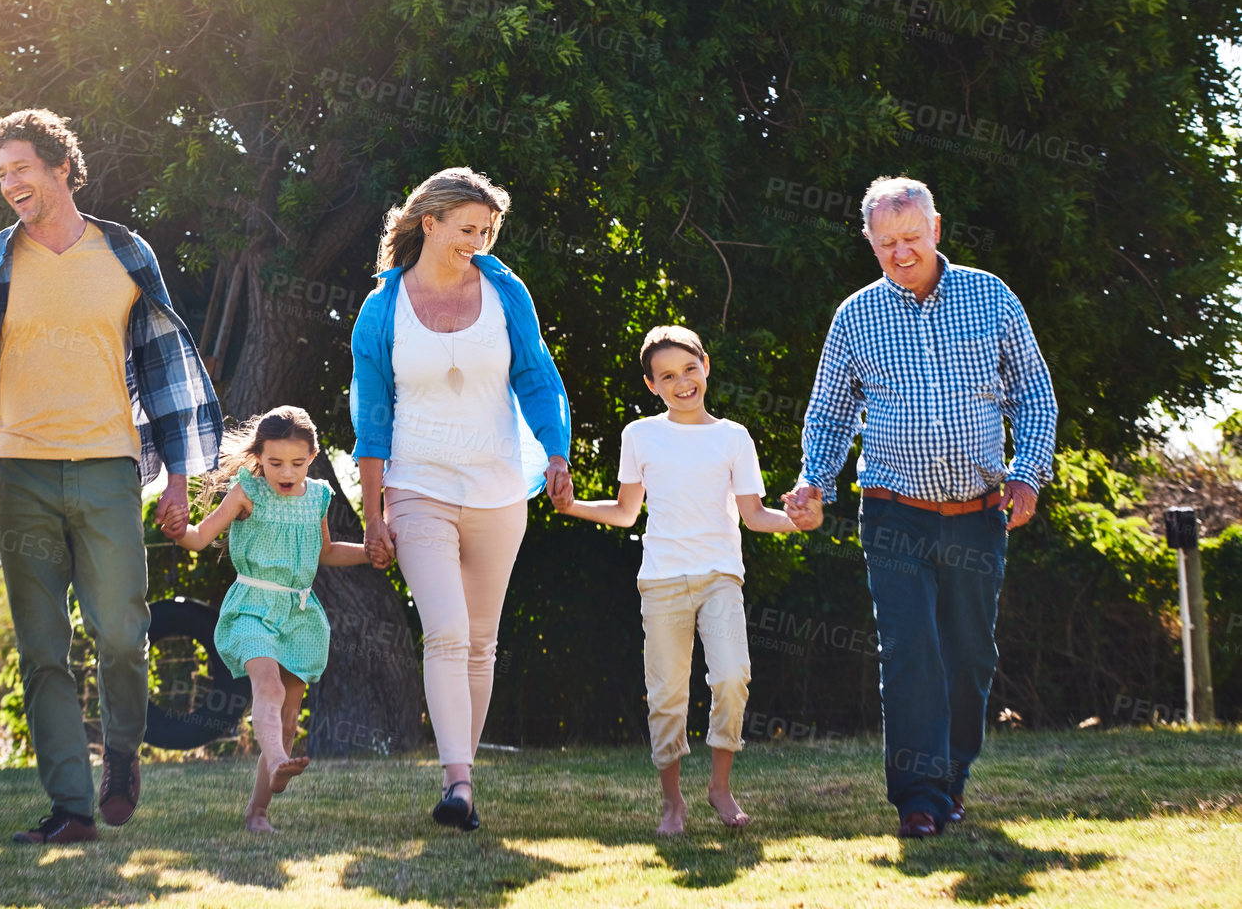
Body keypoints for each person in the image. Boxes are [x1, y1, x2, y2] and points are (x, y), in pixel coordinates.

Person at [0, 109, 222, 846]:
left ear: (61, 170)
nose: (10, 183)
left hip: (109, 468)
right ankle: (72, 805)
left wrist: (177, 480)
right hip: (21, 475)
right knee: (43, 645)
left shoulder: (126, 253)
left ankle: (124, 757)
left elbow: (166, 372)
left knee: (119, 635)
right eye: (1, 173)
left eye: (21, 168)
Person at [784, 176, 1057, 838]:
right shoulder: (856, 315)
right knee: (910, 651)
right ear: (871, 243)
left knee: (968, 656)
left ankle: (951, 777)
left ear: (936, 229)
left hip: (978, 511)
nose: (900, 253)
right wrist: (813, 481)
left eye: (910, 238)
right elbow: (828, 415)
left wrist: (1028, 474)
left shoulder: (990, 296)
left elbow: (1035, 396)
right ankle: (919, 798)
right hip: (892, 511)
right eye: (886, 244)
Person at [350, 166, 573, 832]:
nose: (478, 240)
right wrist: (373, 512)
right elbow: (372, 416)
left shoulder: (505, 292)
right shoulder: (381, 308)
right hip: (418, 486)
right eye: (467, 228)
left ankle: (462, 780)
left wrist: (556, 450)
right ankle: (457, 782)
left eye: (488, 230)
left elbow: (536, 373)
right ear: (429, 223)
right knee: (445, 631)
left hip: (499, 486)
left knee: (481, 642)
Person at [555, 325, 817, 835]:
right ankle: (672, 802)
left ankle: (720, 787)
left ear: (706, 367)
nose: (682, 382)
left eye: (689, 369)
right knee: (667, 694)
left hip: (720, 576)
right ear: (653, 385)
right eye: (668, 376)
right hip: (662, 581)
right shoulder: (640, 435)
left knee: (731, 676)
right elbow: (628, 512)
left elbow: (756, 515)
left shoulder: (733, 437)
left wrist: (797, 521)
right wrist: (572, 507)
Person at [160, 406, 368, 832]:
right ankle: (276, 760)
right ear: (259, 458)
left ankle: (258, 810)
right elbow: (199, 538)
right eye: (274, 463)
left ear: (312, 456)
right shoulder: (246, 492)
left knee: (289, 718)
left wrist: (370, 551)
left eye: (296, 462)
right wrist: (178, 530)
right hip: (252, 607)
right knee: (268, 686)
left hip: (298, 614)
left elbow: (325, 552)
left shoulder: (318, 498)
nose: (285, 471)